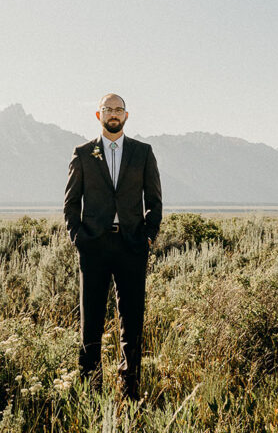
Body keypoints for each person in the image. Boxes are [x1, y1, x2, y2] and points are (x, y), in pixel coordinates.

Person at [64, 93, 162, 400]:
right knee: (90, 321)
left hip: (131, 245)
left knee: (131, 321)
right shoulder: (82, 153)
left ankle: (128, 390)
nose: (114, 114)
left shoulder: (143, 152)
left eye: (119, 109)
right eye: (108, 109)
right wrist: (79, 239)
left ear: (127, 115)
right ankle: (90, 391)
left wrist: (147, 237)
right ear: (98, 115)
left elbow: (155, 201)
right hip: (94, 246)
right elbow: (70, 203)